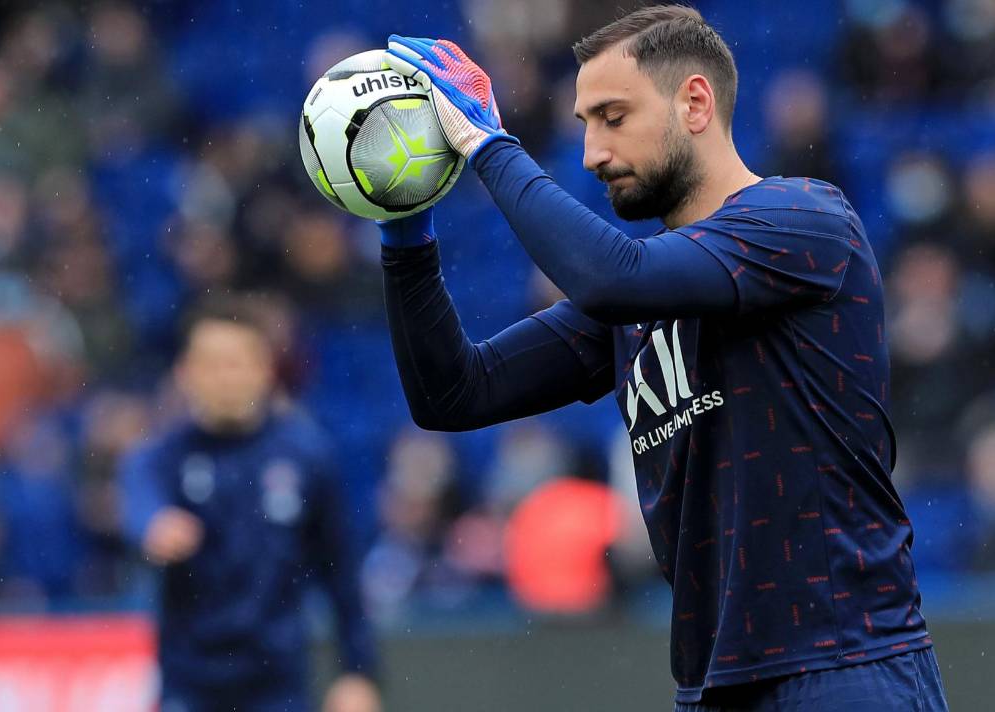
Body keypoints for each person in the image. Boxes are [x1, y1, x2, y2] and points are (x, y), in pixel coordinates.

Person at [375, 6, 948, 711]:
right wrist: (407, 236)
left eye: (612, 117)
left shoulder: (804, 221)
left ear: (696, 103)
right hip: (710, 686)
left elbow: (614, 276)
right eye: (584, 124)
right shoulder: (630, 302)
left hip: (844, 666)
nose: (591, 152)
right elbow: (454, 393)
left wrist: (490, 146)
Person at [119, 296, 380, 712]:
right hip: (189, 685)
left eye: (236, 362)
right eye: (211, 364)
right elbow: (138, 501)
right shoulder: (161, 458)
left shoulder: (306, 455)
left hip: (278, 685)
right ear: (185, 374)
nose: (224, 377)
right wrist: (154, 524)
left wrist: (358, 673)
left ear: (264, 371)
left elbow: (341, 575)